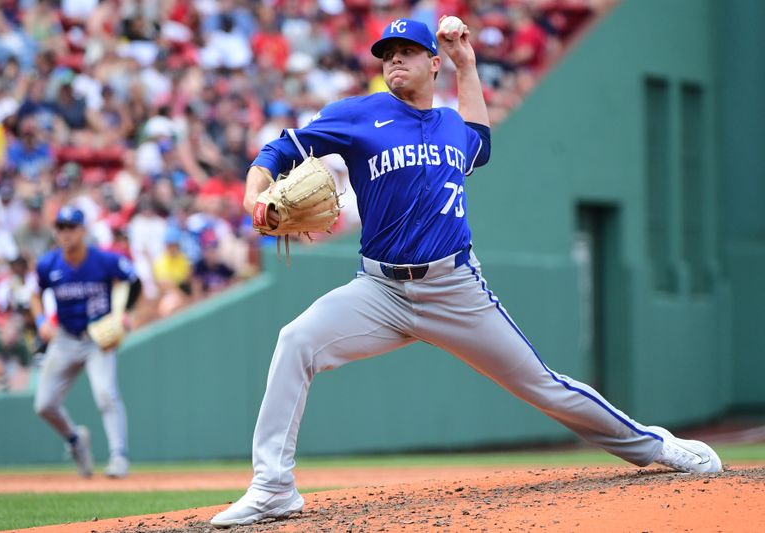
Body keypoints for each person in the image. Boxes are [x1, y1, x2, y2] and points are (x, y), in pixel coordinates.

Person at [209, 17, 722, 528]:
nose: (394, 60)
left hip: (455, 289)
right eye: (387, 53)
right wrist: (255, 192)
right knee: (295, 340)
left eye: (407, 51)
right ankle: (273, 487)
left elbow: (481, 139)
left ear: (433, 63)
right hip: (379, 290)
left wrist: (467, 62)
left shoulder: (453, 126)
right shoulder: (359, 115)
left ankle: (655, 446)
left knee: (543, 386)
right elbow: (279, 148)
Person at [30, 206, 142, 478]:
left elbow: (134, 281)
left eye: (71, 227)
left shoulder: (103, 260)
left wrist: (124, 314)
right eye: (60, 227)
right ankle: (74, 440)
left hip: (97, 340)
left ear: (83, 231)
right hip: (65, 338)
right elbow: (34, 295)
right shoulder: (48, 264)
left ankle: (118, 457)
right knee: (44, 405)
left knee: (106, 394)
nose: (65, 233)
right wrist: (41, 322)